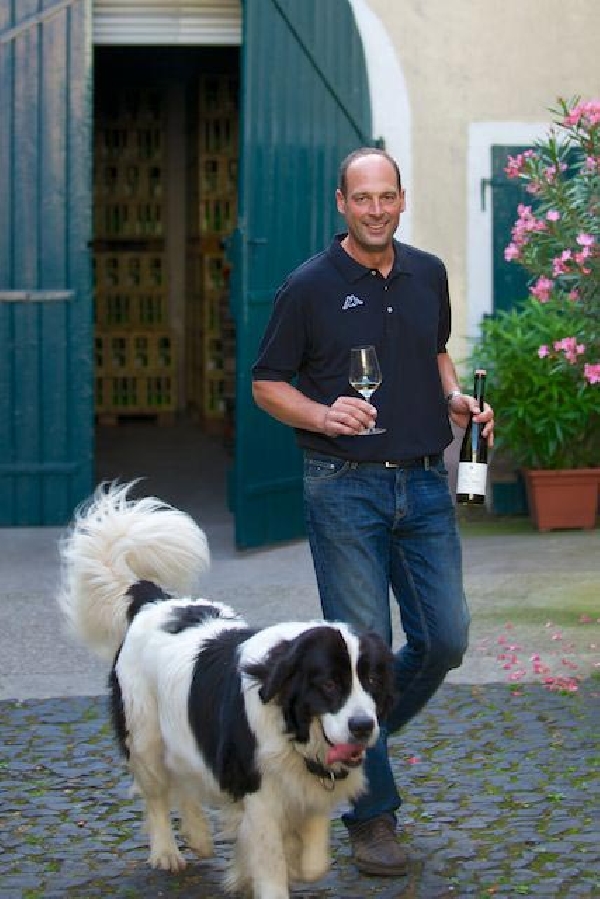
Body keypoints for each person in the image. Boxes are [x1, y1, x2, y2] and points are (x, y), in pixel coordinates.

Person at [251, 147, 495, 877]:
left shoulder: (428, 272)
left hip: (423, 485)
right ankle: (373, 816)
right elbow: (268, 383)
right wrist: (325, 414)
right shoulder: (307, 286)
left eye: (387, 196)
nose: (377, 209)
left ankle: (343, 739)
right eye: (363, 198)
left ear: (402, 197)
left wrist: (453, 396)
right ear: (342, 203)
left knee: (446, 635)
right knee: (367, 647)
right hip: (343, 486)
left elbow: (438, 350)